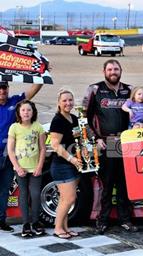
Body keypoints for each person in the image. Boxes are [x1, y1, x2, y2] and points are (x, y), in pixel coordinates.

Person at [85, 59, 138, 234]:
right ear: (104, 71)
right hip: (106, 143)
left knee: (125, 184)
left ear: (121, 71)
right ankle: (103, 219)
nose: (113, 72)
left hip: (127, 143)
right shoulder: (95, 89)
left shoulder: (129, 90)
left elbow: (139, 113)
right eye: (110, 69)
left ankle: (125, 219)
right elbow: (85, 119)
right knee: (107, 184)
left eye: (116, 69)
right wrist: (96, 138)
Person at [0, 81, 44, 233]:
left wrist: (41, 73)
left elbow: (33, 90)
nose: (2, 91)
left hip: (7, 155)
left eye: (4, 87)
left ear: (7, 88)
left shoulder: (15, 102)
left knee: (5, 190)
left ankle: (1, 220)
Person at [7, 100, 46, 237]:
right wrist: (17, 167)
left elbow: (42, 148)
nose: (26, 112)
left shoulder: (38, 127)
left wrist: (40, 166)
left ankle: (35, 222)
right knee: (23, 195)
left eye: (29, 110)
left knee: (35, 195)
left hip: (35, 168)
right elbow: (10, 150)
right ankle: (26, 224)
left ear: (33, 111)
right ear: (18, 112)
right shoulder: (14, 127)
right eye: (23, 110)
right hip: (21, 169)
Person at [50, 88, 82, 239]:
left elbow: (77, 140)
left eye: (70, 100)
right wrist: (72, 159)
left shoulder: (74, 118)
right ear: (59, 103)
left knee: (66, 199)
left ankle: (65, 227)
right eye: (64, 101)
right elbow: (56, 146)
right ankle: (57, 228)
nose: (68, 103)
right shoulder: (58, 120)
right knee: (69, 199)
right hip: (62, 165)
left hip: (74, 163)